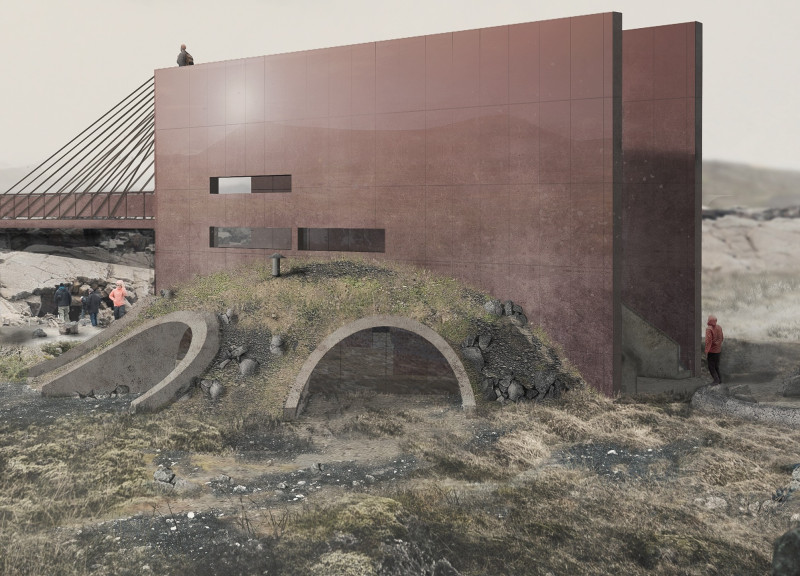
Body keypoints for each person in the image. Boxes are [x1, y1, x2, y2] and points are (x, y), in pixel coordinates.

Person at [705, 315, 724, 385]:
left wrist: (707, 351)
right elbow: (722, 338)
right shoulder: (719, 327)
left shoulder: (709, 329)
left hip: (712, 351)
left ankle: (716, 380)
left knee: (711, 367)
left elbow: (708, 341)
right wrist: (718, 345)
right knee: (716, 366)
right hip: (718, 351)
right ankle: (720, 380)